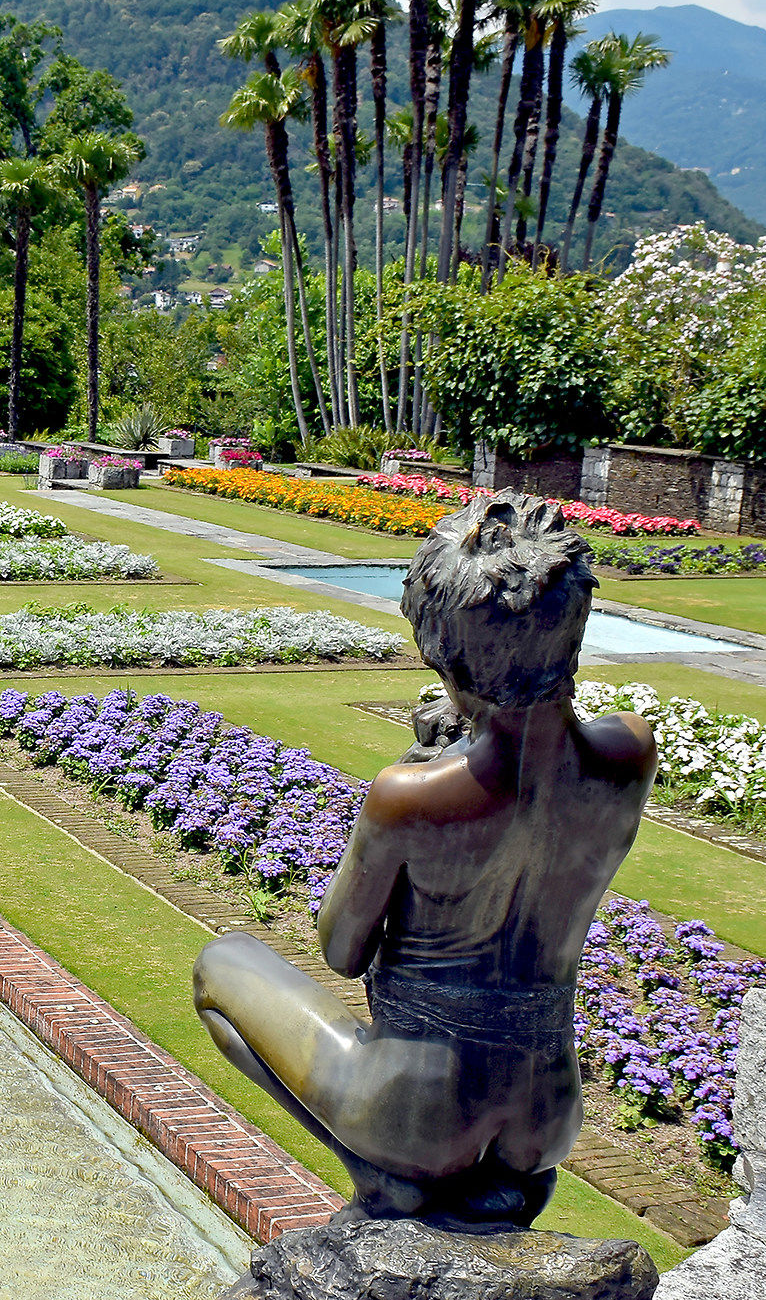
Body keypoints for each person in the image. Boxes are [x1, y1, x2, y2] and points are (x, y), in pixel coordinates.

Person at [191, 491, 658, 1225]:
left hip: (422, 1114)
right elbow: (532, 767)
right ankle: (498, 1186)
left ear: (445, 649)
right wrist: (471, 722)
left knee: (222, 966)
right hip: (545, 1116)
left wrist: (425, 754)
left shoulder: (409, 795)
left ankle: (387, 1176)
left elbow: (343, 948)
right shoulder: (630, 752)